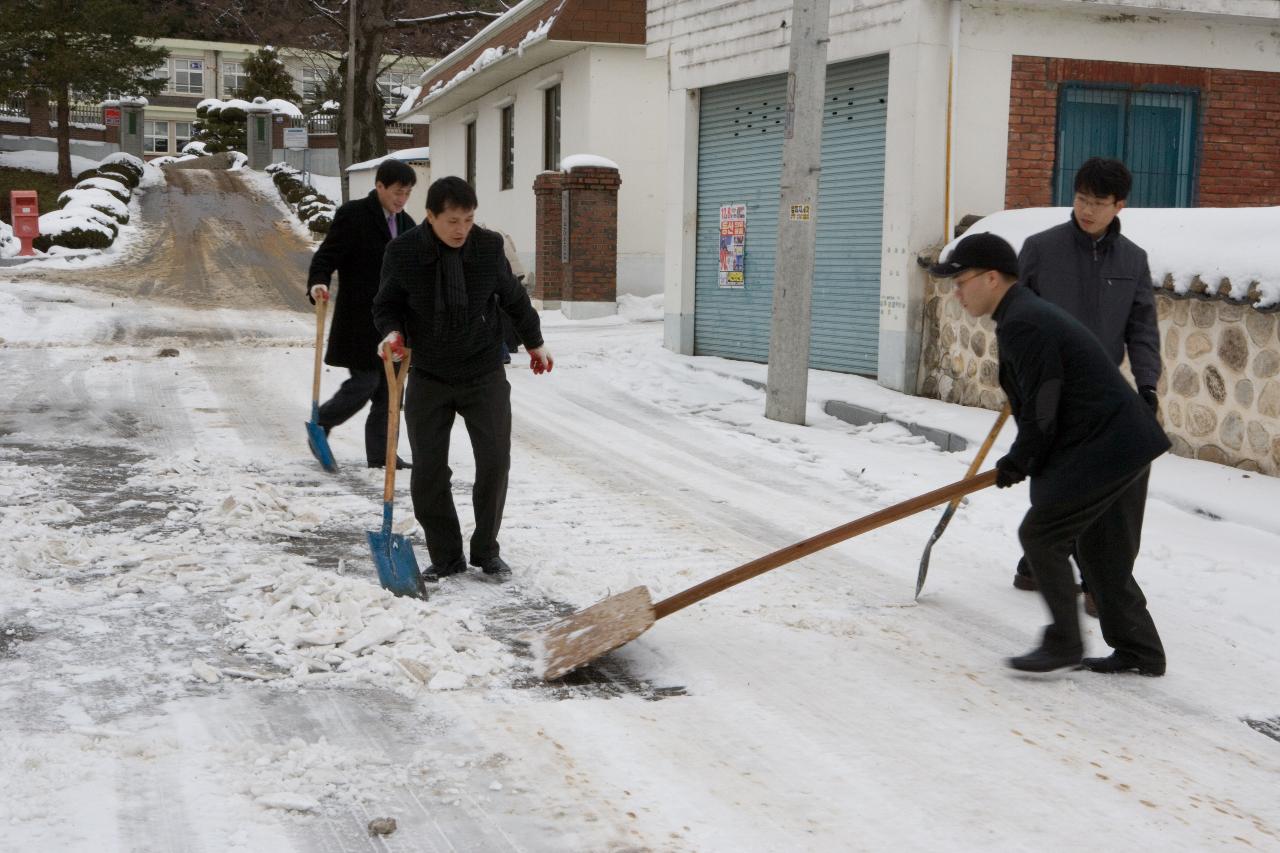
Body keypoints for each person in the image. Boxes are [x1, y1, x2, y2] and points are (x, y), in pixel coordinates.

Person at [930, 232, 1169, 676]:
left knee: (1042, 535)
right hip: (1127, 441)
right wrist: (1024, 460)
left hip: (1107, 446)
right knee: (1103, 554)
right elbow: (1049, 404)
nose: (957, 293)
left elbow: (1045, 403)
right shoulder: (1023, 315)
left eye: (961, 281)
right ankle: (1141, 651)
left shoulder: (1024, 322)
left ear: (993, 278)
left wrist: (1021, 460)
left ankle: (1064, 643)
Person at [372, 176, 553, 582]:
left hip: (483, 372)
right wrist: (392, 333)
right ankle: (446, 555)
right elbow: (387, 305)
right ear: (431, 216)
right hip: (430, 375)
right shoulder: (403, 252)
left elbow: (514, 298)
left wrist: (535, 342)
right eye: (452, 220)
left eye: (468, 220)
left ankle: (487, 550)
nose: (461, 230)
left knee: (494, 462)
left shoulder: (488, 247)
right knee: (430, 470)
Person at [1011, 157, 1162, 613]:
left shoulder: (1133, 260)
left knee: (1112, 481)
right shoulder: (1040, 249)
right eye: (1081, 199)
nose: (1087, 211)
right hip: (1047, 385)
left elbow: (1142, 328)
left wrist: (1148, 385)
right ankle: (1043, 562)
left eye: (1098, 203)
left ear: (1119, 205)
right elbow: (1015, 316)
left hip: (1102, 389)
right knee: (1058, 477)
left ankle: (1101, 578)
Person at [307, 159, 417, 469]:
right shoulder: (354, 215)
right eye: (397, 192)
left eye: (407, 193)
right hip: (359, 319)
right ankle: (321, 423)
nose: (401, 199)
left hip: (394, 323)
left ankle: (381, 455)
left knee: (390, 392)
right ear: (379, 186)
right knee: (366, 381)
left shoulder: (408, 225)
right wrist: (318, 282)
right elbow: (327, 255)